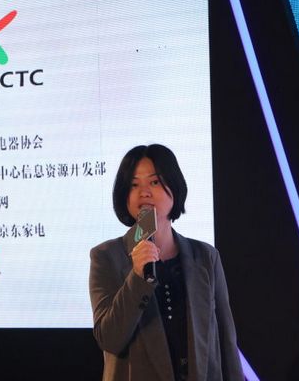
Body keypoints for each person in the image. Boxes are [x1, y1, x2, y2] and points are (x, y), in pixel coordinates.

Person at [89, 144, 244, 381]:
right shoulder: (106, 257)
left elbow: (226, 341)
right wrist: (137, 277)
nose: (144, 192)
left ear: (175, 187)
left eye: (154, 182)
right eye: (134, 185)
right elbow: (110, 338)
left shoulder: (206, 257)